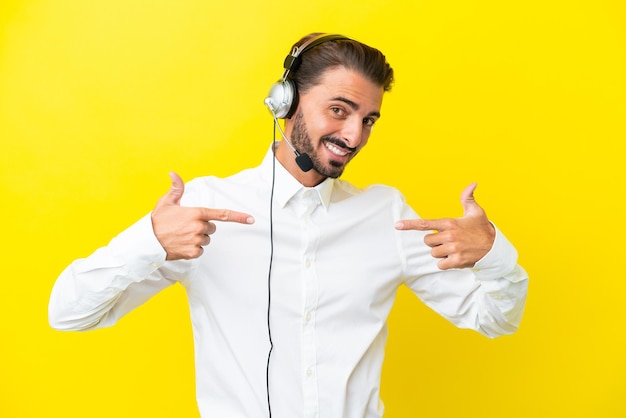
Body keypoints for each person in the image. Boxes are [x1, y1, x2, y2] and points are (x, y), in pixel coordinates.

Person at [49, 33, 528, 418]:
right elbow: (69, 314)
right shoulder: (206, 208)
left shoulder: (387, 215)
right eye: (339, 110)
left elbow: (494, 319)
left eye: (369, 119)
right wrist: (149, 242)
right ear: (286, 102)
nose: (354, 135)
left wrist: (492, 254)